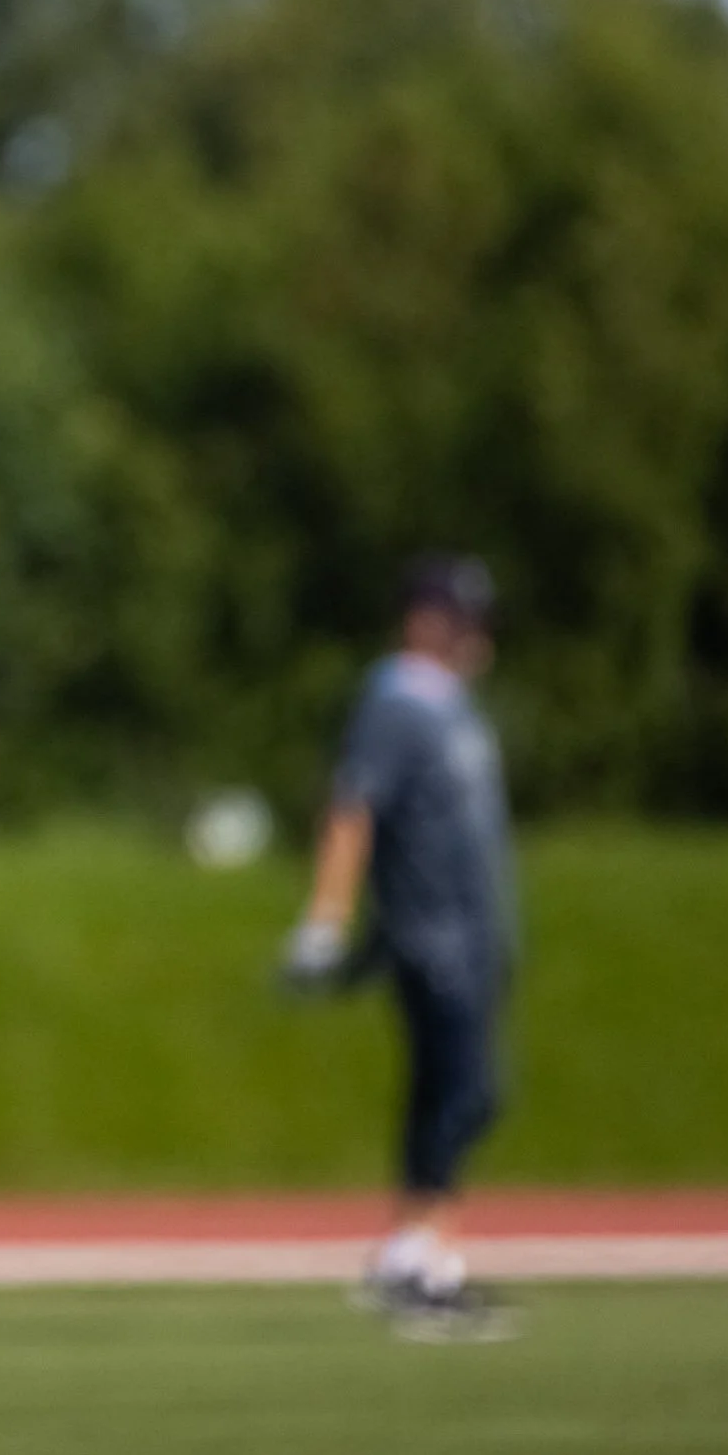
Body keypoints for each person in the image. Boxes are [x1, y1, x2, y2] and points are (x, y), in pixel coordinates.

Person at [282, 553, 515, 1338]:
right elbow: (354, 808)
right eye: (459, 618)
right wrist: (327, 918)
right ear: (422, 620)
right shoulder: (396, 701)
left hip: (470, 930)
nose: (474, 634)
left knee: (461, 1093)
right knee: (462, 1090)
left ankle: (427, 1255)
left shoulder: (449, 706)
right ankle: (417, 1258)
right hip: (432, 931)